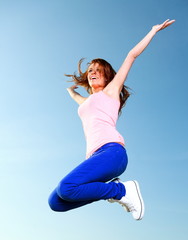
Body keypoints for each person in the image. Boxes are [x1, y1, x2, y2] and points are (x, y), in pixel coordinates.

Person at [48, 19, 175, 220]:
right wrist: (70, 91)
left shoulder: (111, 91)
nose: (93, 73)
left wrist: (153, 31)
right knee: (56, 202)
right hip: (95, 158)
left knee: (67, 187)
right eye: (90, 71)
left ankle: (121, 191)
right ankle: (117, 191)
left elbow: (131, 56)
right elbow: (79, 100)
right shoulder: (88, 102)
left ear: (107, 76)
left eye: (98, 70)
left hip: (112, 153)